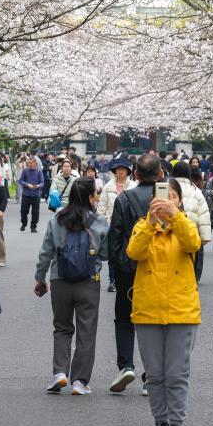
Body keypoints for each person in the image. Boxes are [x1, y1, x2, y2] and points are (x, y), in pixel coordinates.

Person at [128, 177, 202, 426]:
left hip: (182, 311)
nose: (166, 200)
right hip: (148, 310)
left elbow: (193, 243)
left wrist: (177, 217)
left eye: (172, 196)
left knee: (177, 373)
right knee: (155, 374)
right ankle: (160, 424)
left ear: (179, 201)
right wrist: (150, 222)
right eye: (162, 196)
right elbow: (133, 252)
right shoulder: (142, 226)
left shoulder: (185, 226)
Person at [34, 179, 109, 396]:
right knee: (86, 331)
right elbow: (104, 254)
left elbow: (45, 253)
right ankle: (79, 381)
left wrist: (40, 278)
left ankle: (59, 373)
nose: (96, 196)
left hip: (60, 280)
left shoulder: (56, 220)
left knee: (62, 328)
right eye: (95, 193)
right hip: (88, 281)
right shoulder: (100, 221)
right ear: (89, 197)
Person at [108, 153, 161, 393]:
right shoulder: (166, 198)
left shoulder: (125, 198)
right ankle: (151, 373)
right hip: (159, 268)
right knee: (154, 321)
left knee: (124, 317)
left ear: (135, 174)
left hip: (129, 268)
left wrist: (119, 267)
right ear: (160, 173)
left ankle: (126, 365)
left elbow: (116, 238)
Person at [98, 157, 136, 292]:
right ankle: (112, 280)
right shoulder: (108, 187)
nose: (120, 172)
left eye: (123, 169)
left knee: (129, 251)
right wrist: (101, 224)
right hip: (111, 223)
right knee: (113, 253)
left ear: (127, 171)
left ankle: (128, 279)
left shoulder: (133, 186)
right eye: (118, 169)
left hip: (129, 224)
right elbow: (102, 206)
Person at [171, 162, 212, 282]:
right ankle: (193, 278)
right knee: (194, 257)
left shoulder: (169, 187)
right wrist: (205, 236)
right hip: (192, 230)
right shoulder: (195, 190)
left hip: (173, 229)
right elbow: (203, 213)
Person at [18, 156, 45, 233]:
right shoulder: (25, 171)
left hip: (36, 194)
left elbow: (42, 183)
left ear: (35, 163)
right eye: (28, 163)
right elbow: (21, 181)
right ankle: (24, 223)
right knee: (23, 211)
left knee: (35, 212)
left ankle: (33, 226)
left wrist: (38, 186)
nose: (29, 164)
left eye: (31, 163)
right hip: (26, 194)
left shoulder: (39, 171)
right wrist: (27, 184)